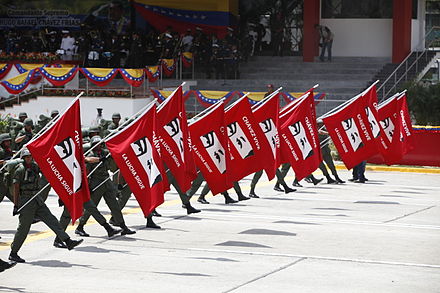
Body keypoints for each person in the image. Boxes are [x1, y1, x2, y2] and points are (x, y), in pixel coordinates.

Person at [9, 149, 83, 263]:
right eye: (27, 157)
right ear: (23, 158)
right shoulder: (20, 170)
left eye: (30, 156)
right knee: (24, 229)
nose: (29, 158)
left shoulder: (34, 166)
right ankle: (13, 253)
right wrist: (16, 205)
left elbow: (48, 170)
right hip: (26, 200)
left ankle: (67, 241)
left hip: (37, 199)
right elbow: (16, 187)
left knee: (51, 219)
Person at [75, 136, 135, 237]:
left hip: (106, 182)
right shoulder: (91, 155)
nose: (99, 145)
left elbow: (114, 153)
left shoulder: (104, 153)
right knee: (92, 207)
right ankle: (80, 226)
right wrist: (88, 187)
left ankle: (123, 226)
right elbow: (86, 173)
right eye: (96, 144)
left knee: (114, 205)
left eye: (100, 143)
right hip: (96, 183)